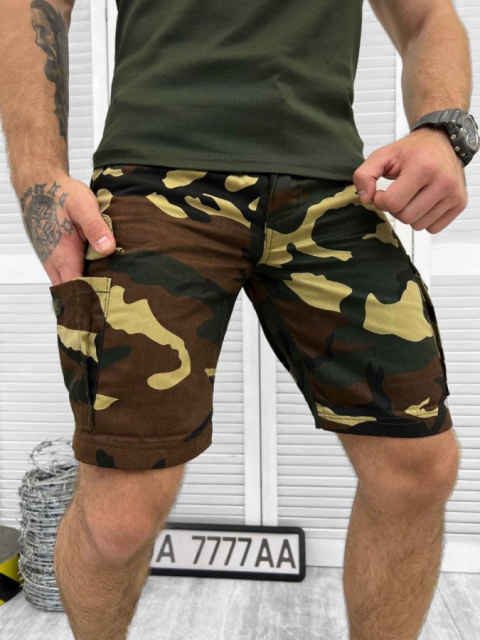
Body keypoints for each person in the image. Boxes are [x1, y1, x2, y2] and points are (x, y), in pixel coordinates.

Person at [0, 0, 477, 638]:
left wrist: (442, 129)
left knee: (419, 468)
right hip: (154, 181)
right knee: (118, 519)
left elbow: (427, 18)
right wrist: (38, 174)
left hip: (332, 187)